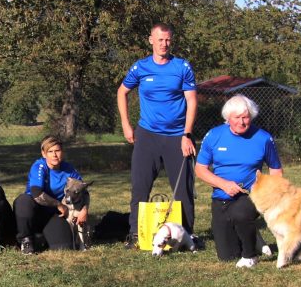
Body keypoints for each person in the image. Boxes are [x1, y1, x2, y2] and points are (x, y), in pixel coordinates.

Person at [117, 23, 197, 248]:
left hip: (177, 136)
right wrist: (126, 124)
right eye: (160, 39)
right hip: (147, 135)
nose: (164, 44)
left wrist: (187, 134)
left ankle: (186, 235)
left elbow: (191, 101)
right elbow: (122, 92)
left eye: (168, 40)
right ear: (151, 40)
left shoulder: (182, 67)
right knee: (140, 186)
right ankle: (136, 234)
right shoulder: (140, 67)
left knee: (184, 189)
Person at [195, 95, 282, 268]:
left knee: (240, 214)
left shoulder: (263, 138)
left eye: (246, 117)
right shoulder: (214, 135)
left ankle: (250, 256)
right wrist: (223, 184)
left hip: (251, 194)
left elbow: (276, 170)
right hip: (221, 196)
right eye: (237, 118)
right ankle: (253, 236)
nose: (242, 122)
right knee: (227, 256)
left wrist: (271, 196)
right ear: (228, 118)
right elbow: (200, 170)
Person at [13, 136, 86, 254]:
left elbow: (83, 190)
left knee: (64, 246)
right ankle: (25, 239)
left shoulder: (69, 169)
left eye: (57, 151)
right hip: (33, 209)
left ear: (62, 152)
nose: (54, 155)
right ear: (43, 154)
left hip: (53, 214)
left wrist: (84, 210)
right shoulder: (39, 166)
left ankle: (40, 237)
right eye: (50, 151)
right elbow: (37, 193)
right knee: (23, 201)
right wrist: (58, 205)